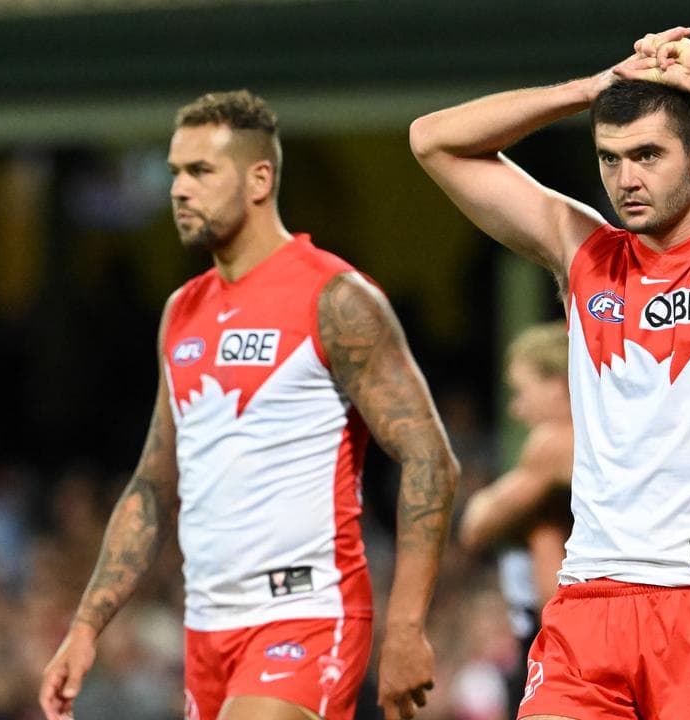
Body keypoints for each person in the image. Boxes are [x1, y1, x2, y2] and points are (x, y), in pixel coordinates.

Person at [411, 26, 690, 720]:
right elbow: (432, 139)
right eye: (610, 158)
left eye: (648, 154)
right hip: (590, 602)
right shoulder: (583, 251)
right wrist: (587, 90)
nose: (627, 179)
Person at [39, 90, 460, 720]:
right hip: (207, 627)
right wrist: (85, 627)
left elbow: (430, 458)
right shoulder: (181, 312)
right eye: (175, 171)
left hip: (308, 611)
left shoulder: (335, 298)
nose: (179, 189)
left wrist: (404, 629)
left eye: (201, 171)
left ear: (260, 178)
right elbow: (153, 487)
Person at [458, 321, 574, 711]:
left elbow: (475, 526)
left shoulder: (555, 445)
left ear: (558, 384)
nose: (515, 407)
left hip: (560, 648)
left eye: (521, 391)